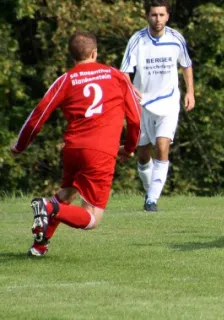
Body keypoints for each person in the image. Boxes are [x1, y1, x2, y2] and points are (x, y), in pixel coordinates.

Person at [11, 31, 141, 257]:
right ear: (95, 52)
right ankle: (47, 207)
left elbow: (38, 115)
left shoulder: (66, 79)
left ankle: (39, 245)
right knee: (91, 218)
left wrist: (21, 145)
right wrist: (129, 148)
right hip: (100, 152)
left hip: (73, 149)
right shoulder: (117, 76)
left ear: (72, 56)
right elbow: (136, 119)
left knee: (66, 194)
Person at [120, 0, 195, 212]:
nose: (158, 19)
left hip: (169, 102)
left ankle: (152, 199)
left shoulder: (176, 38)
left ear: (168, 16)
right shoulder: (137, 40)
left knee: (163, 146)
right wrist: (129, 87)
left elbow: (186, 65)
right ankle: (149, 191)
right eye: (154, 14)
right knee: (143, 152)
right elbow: (124, 71)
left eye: (162, 14)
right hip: (142, 104)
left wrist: (190, 92)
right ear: (147, 16)